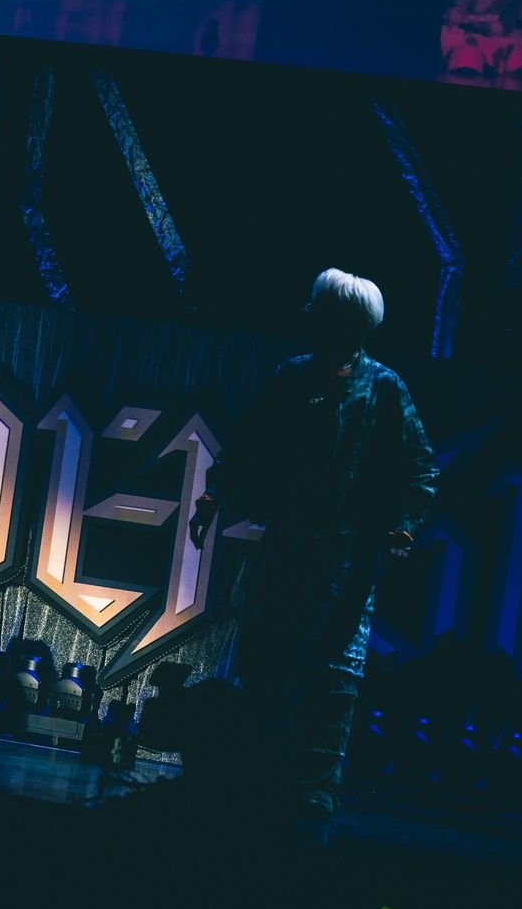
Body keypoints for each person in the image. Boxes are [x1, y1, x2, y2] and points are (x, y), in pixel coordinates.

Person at [187, 267, 438, 823]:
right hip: (288, 547)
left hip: (346, 561)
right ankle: (259, 774)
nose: (308, 315)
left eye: (320, 308)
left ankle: (316, 787)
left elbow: (419, 465)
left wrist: (403, 524)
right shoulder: (293, 376)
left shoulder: (384, 387)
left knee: (335, 675)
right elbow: (248, 443)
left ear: (347, 321)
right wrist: (213, 495)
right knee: (266, 660)